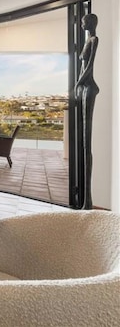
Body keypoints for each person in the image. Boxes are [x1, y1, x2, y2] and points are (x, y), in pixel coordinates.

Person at [74, 13, 99, 209]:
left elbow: (89, 67)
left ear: (90, 23)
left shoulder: (94, 40)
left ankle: (87, 201)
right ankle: (85, 201)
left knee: (86, 143)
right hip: (83, 88)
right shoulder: (87, 41)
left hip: (88, 87)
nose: (81, 24)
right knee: (84, 142)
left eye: (83, 22)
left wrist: (77, 84)